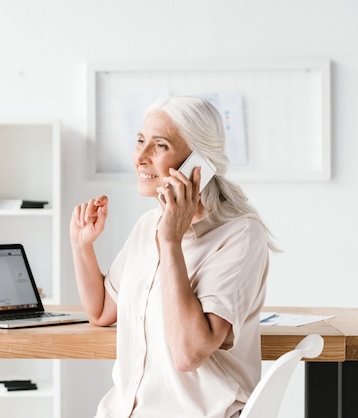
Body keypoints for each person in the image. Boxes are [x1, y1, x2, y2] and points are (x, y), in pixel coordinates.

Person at [70, 96, 277, 418]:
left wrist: (170, 241)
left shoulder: (240, 236)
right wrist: (82, 246)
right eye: (140, 141)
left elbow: (188, 353)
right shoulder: (146, 225)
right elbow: (101, 312)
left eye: (160, 145)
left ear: (199, 164)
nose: (140, 157)